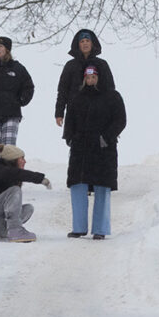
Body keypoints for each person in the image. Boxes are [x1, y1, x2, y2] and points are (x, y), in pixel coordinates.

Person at [61, 60, 126, 239]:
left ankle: (100, 229)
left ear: (100, 77)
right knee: (78, 185)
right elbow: (70, 120)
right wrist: (70, 138)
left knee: (102, 188)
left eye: (94, 77)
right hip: (80, 149)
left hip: (103, 149)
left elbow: (120, 120)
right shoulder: (77, 97)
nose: (91, 80)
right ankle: (78, 227)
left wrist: (106, 137)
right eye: (88, 77)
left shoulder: (113, 97)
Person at [0, 144, 47, 242]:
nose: (25, 161)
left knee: (28, 209)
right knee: (15, 190)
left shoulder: (8, 172)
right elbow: (18, 173)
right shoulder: (1, 170)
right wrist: (41, 179)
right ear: (13, 159)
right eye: (22, 158)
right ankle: (15, 230)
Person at [53, 28, 115, 126]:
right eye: (82, 41)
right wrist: (59, 113)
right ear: (78, 45)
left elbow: (110, 90)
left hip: (98, 114)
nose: (85, 43)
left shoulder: (102, 64)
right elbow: (63, 91)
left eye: (87, 41)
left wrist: (113, 117)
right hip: (75, 115)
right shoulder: (70, 66)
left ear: (92, 43)